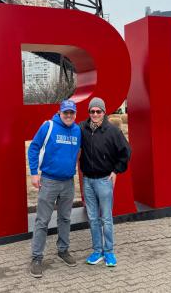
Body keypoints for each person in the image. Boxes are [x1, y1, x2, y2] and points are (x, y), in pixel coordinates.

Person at [28, 100, 81, 278]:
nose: (68, 116)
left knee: (65, 218)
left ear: (75, 114)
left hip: (68, 182)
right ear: (59, 112)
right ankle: (36, 258)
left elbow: (77, 152)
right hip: (49, 181)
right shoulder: (48, 126)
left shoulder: (77, 130)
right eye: (65, 112)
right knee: (42, 221)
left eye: (71, 113)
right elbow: (33, 148)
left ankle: (63, 250)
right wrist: (34, 173)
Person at [79, 97, 131, 267]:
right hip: (87, 180)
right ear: (89, 112)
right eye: (92, 111)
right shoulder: (82, 129)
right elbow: (66, 126)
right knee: (93, 218)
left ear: (104, 112)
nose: (95, 114)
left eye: (98, 111)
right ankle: (97, 251)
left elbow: (126, 152)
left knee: (106, 218)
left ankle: (109, 252)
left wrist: (116, 170)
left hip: (103, 181)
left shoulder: (112, 131)